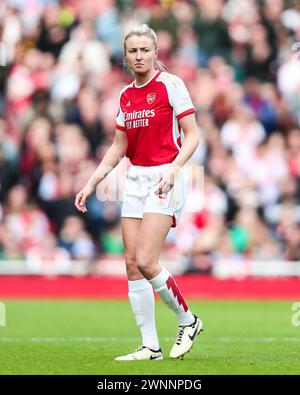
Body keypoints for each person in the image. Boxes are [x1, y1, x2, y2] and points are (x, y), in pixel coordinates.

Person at [75, 24, 203, 361]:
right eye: (133, 51)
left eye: (145, 49)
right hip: (135, 178)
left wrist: (175, 168)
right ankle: (150, 346)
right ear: (126, 56)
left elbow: (192, 136)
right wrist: (91, 183)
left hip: (166, 174)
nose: (139, 56)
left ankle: (188, 320)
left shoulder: (171, 85)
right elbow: (119, 148)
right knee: (132, 264)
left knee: (147, 260)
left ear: (156, 52)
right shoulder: (125, 95)